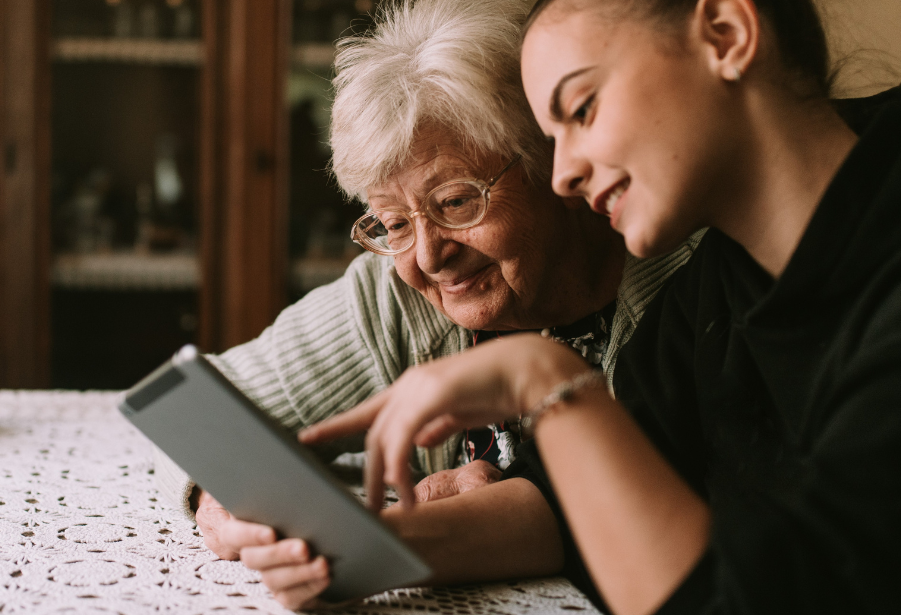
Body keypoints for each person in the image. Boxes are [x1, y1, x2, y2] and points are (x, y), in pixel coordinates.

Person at [305, 0, 901, 613]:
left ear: (726, 33)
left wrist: (544, 378)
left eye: (580, 108)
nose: (561, 175)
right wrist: (343, 547)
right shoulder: (718, 286)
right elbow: (568, 508)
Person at [146, 0, 700, 609]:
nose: (429, 257)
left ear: (552, 163)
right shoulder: (392, 298)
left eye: (457, 203)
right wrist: (222, 500)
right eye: (392, 223)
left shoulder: (691, 291)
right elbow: (204, 408)